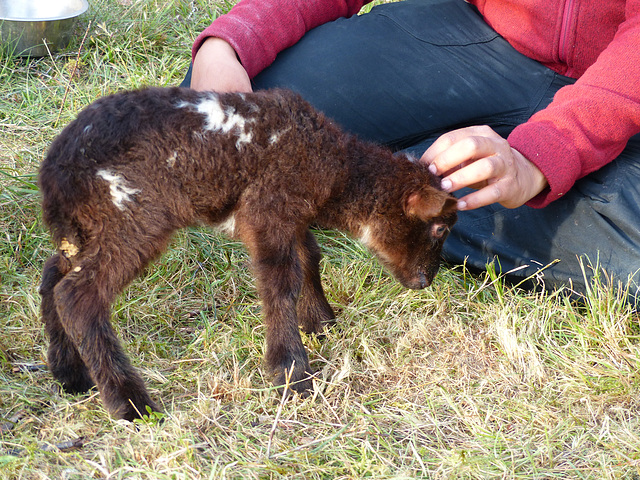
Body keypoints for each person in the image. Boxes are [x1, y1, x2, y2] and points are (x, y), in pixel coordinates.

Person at [180, 0, 640, 303]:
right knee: (226, 126)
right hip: (477, 38)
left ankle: (388, 186)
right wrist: (230, 43)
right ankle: (401, 188)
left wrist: (542, 154)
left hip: (624, 92)